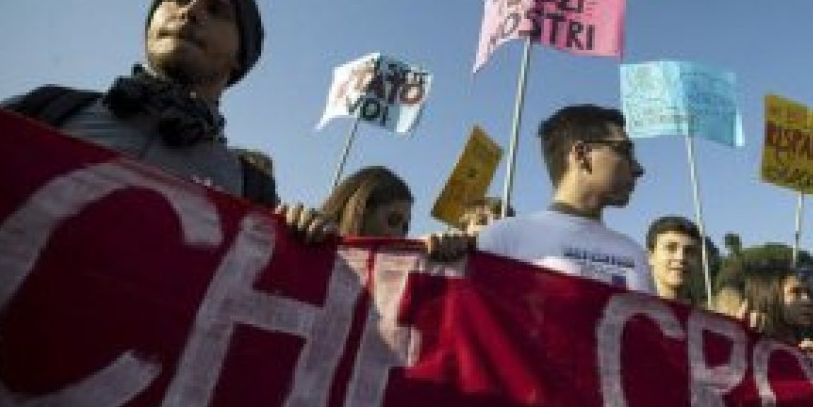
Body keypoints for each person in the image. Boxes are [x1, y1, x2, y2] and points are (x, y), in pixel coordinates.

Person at [1, 0, 276, 208]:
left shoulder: (251, 191)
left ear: (240, 56)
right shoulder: (45, 108)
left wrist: (309, 238)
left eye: (216, 10)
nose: (189, 11)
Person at [476, 104, 652, 292]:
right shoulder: (503, 240)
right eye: (624, 151)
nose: (638, 169)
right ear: (581, 154)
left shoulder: (635, 254)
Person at [277, 166, 469, 260]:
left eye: (405, 226)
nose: (400, 235)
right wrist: (288, 228)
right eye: (393, 220)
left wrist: (437, 255)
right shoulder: (307, 236)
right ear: (360, 211)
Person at [645, 215, 702, 301]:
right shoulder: (626, 311)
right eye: (671, 248)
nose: (681, 258)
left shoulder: (703, 314)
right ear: (650, 256)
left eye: (689, 251)